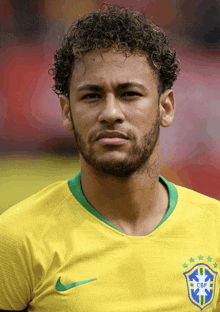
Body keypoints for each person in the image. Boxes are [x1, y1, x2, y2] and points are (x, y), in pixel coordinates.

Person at [1, 4, 220, 312]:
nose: (111, 114)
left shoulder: (215, 230)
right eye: (91, 96)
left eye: (129, 94)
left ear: (166, 107)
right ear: (67, 112)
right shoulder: (17, 238)